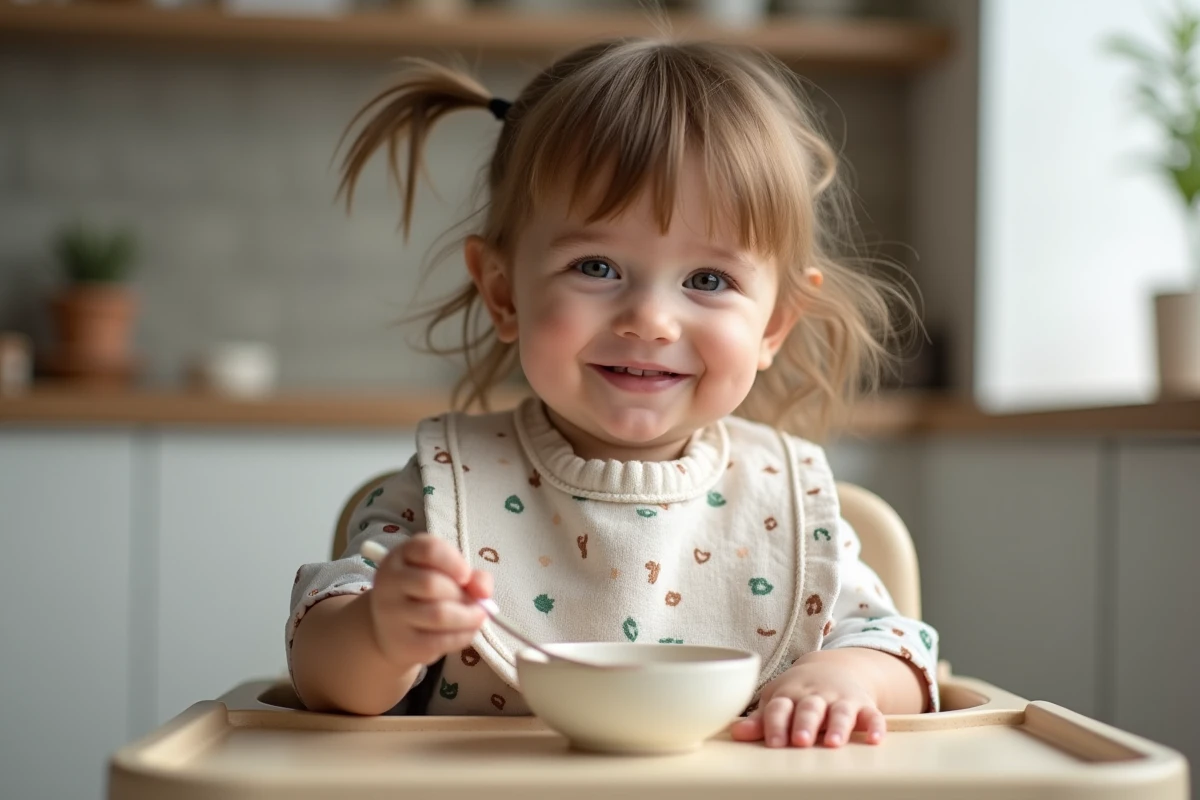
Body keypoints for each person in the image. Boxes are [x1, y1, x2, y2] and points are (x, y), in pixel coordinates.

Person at [287, 37, 939, 749]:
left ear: (775, 322)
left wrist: (846, 677)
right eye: (596, 266)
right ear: (504, 293)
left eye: (709, 280)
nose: (650, 321)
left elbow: (900, 650)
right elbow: (324, 673)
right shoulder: (446, 488)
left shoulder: (788, 497)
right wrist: (381, 634)